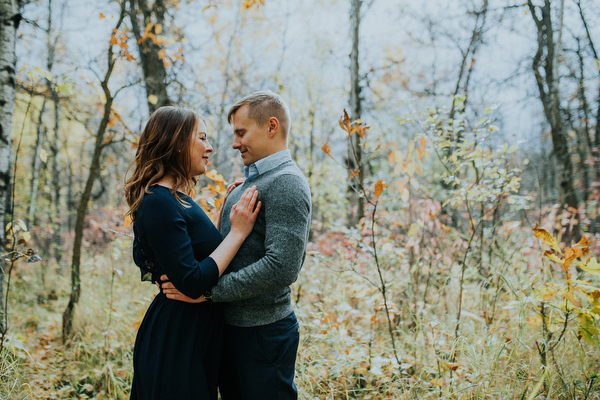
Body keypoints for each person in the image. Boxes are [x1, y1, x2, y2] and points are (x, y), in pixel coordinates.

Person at [161, 91, 312, 399]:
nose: (234, 143)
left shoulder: (287, 182)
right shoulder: (253, 182)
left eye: (241, 133)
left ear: (271, 127)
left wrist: (208, 293)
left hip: (261, 334)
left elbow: (281, 267)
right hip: (234, 330)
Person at [123, 106, 261, 400]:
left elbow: (191, 253)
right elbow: (193, 280)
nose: (210, 146)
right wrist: (237, 232)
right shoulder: (159, 200)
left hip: (193, 333)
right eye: (202, 137)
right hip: (177, 338)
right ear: (176, 141)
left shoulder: (176, 198)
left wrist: (224, 213)